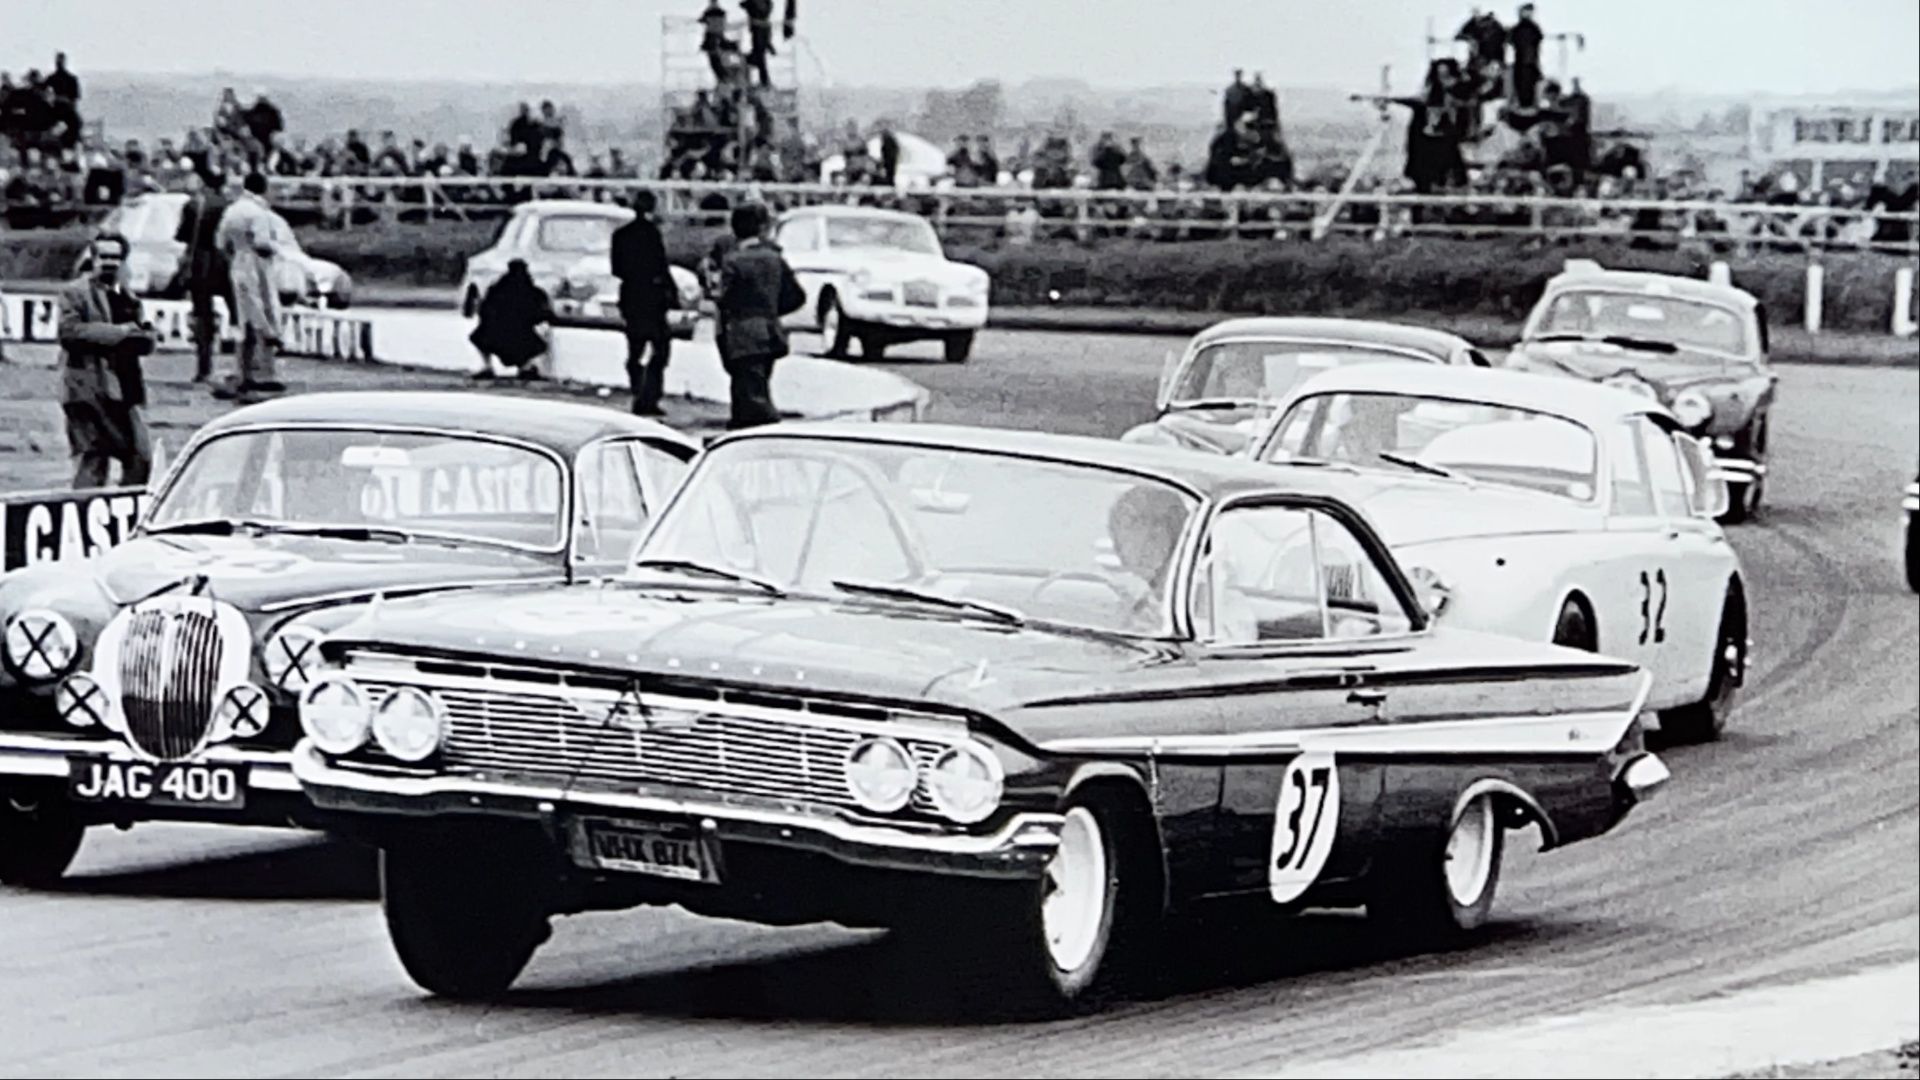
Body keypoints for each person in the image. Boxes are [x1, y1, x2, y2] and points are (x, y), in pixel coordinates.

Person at [58, 233, 156, 488]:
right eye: (104, 256)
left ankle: (126, 515)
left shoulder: (128, 296)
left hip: (124, 387)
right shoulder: (76, 292)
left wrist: (143, 336)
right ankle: (83, 515)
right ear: (93, 258)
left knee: (140, 458)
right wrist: (119, 333)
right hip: (87, 388)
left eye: (116, 257)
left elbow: (145, 342)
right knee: (93, 458)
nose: (110, 262)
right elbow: (69, 332)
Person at [714, 203, 805, 429]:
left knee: (747, 392)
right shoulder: (775, 259)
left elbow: (723, 298)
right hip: (770, 330)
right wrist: (771, 310)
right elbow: (797, 296)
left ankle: (758, 429)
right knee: (760, 382)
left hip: (740, 332)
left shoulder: (733, 261)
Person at [212, 172, 285, 401]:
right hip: (257, 264)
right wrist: (276, 248)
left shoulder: (232, 210)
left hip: (238, 262)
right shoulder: (258, 213)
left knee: (245, 317)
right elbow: (263, 242)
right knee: (263, 314)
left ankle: (244, 371)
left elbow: (220, 242)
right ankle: (260, 372)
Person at [610, 190, 678, 416]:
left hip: (630, 295)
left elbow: (616, 269)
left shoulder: (620, 235)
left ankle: (638, 388)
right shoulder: (651, 234)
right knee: (660, 348)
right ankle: (648, 395)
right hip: (652, 296)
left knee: (635, 346)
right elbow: (661, 265)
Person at [174, 169, 232, 382]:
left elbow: (182, 236)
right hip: (225, 263)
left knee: (202, 315)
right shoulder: (228, 205)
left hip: (200, 263)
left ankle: (204, 366)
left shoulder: (192, 206)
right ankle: (245, 365)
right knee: (237, 313)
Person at [468, 259, 553, 380]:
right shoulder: (534, 293)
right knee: (538, 343)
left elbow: (484, 311)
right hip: (522, 339)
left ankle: (487, 367)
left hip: (491, 336)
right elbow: (541, 316)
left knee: (480, 337)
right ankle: (526, 367)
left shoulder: (495, 290)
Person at [1510, 3, 1544, 108]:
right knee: (1522, 84)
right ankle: (1523, 103)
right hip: (1523, 61)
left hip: (1529, 61)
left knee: (1528, 84)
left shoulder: (1532, 28)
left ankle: (1528, 104)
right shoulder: (1522, 28)